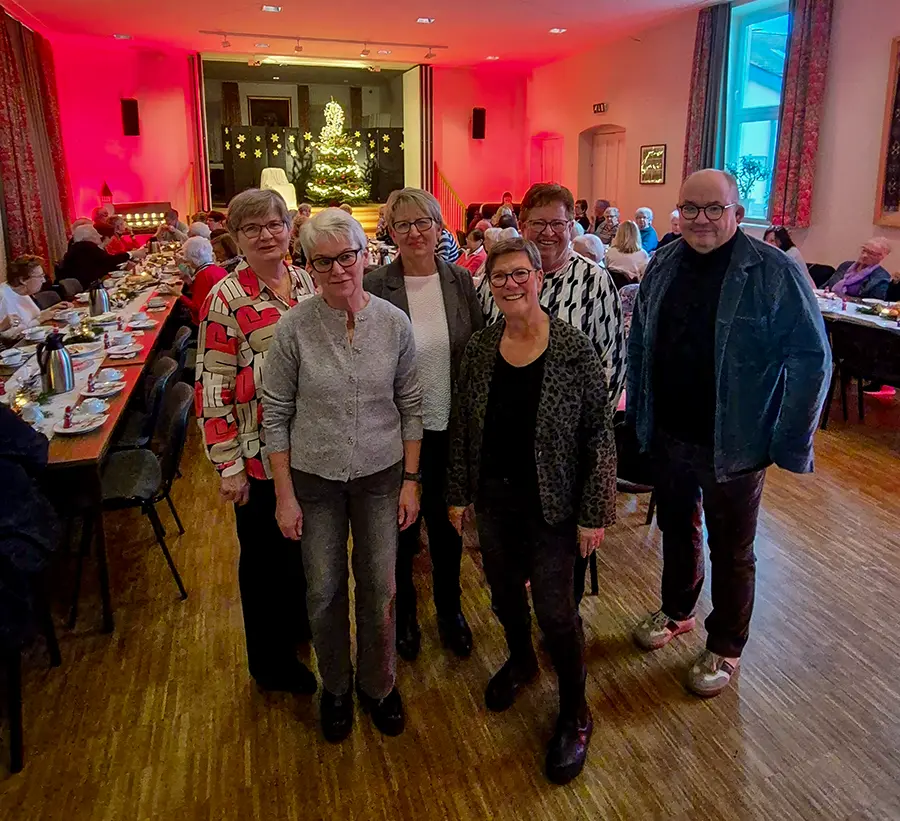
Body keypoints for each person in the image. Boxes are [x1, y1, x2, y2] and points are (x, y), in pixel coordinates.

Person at [628, 169, 831, 697]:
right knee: (678, 529)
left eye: (714, 208)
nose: (701, 219)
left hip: (736, 442)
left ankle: (726, 642)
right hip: (670, 432)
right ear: (678, 212)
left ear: (737, 213)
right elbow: (641, 342)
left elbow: (811, 357)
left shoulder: (772, 270)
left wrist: (789, 438)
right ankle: (678, 611)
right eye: (690, 208)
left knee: (732, 549)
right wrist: (640, 416)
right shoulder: (664, 263)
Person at [448, 236, 616, 784]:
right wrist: (457, 493)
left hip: (555, 505)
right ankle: (521, 659)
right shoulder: (480, 348)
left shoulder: (573, 349)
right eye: (500, 277)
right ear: (490, 286)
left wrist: (594, 513)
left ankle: (576, 710)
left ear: (539, 278)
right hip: (495, 500)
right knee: (502, 595)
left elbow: (599, 434)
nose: (511, 284)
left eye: (521, 273)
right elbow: (463, 425)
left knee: (556, 611)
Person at [264, 207, 423, 743]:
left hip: (381, 476)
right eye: (322, 260)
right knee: (324, 589)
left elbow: (411, 405)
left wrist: (411, 481)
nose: (337, 269)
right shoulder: (294, 327)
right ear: (307, 265)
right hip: (315, 481)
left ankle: (379, 685)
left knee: (380, 587)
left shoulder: (394, 324)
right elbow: (275, 414)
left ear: (364, 254)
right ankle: (335, 686)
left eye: (346, 256)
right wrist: (284, 495)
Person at [196, 188, 317, 694]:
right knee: (264, 563)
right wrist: (228, 467)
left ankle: (298, 626)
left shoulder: (305, 281)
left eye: (274, 224)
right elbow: (213, 387)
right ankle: (269, 663)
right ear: (237, 238)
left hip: (309, 449)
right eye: (252, 228)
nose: (266, 235)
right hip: (259, 453)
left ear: (289, 229)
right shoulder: (225, 299)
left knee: (300, 552)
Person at [364, 187, 484, 663]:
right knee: (400, 532)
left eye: (423, 222)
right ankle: (405, 618)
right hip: (396, 434)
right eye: (403, 224)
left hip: (449, 428)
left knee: (448, 527)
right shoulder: (376, 284)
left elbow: (476, 349)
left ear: (439, 227)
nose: (414, 232)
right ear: (391, 232)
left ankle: (451, 612)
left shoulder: (460, 280)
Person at [477, 183, 625, 410]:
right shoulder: (497, 278)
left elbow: (612, 365)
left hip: (569, 425)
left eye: (557, 224)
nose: (548, 232)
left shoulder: (594, 281)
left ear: (571, 227)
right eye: (538, 223)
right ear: (522, 226)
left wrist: (592, 423)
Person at [0, 255, 72, 339]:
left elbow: (32, 317)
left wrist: (51, 309)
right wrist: (40, 320)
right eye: (40, 276)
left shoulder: (24, 291)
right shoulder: (3, 296)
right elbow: (8, 335)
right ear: (23, 280)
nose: (43, 280)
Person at [59, 224, 145, 289]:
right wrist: (132, 254)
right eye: (96, 234)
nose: (100, 236)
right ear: (88, 237)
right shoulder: (86, 247)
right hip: (89, 288)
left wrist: (124, 265)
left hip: (90, 285)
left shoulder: (78, 248)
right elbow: (108, 261)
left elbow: (103, 263)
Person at [179, 237, 228, 325]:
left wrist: (179, 295)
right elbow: (203, 294)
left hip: (205, 323)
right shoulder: (219, 270)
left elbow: (198, 309)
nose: (188, 262)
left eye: (188, 260)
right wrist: (190, 283)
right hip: (220, 317)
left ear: (193, 259)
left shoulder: (203, 276)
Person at [825, 238, 893, 300]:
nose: (864, 255)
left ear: (881, 257)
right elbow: (827, 285)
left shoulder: (881, 277)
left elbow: (874, 302)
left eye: (871, 253)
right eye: (864, 250)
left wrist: (845, 298)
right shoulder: (845, 266)